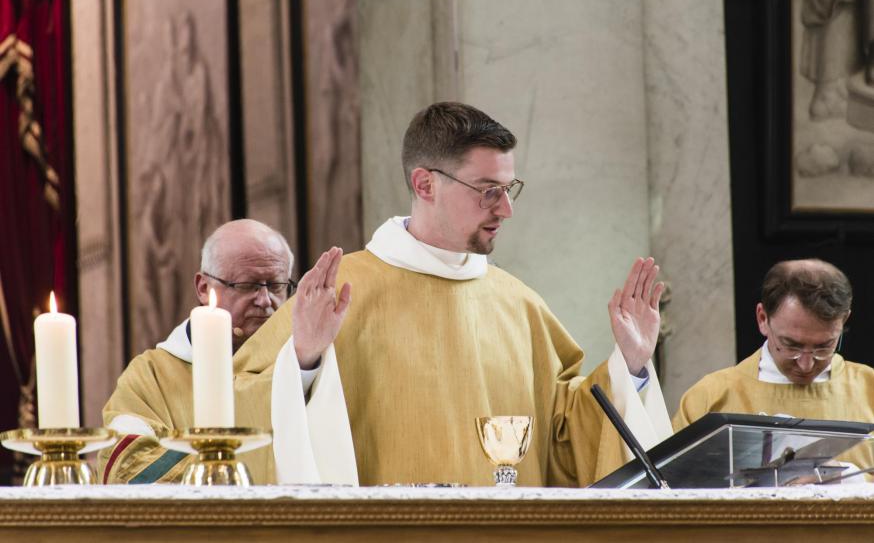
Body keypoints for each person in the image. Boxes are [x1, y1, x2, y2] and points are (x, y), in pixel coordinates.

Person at [245, 102, 673, 487]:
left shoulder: (520, 306)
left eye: (510, 189)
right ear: (426, 184)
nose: (506, 209)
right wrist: (303, 361)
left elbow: (567, 440)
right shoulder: (336, 296)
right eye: (489, 190)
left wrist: (630, 366)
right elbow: (243, 419)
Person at [99, 219, 357, 485]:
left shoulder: (310, 360)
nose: (265, 300)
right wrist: (220, 471)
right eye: (248, 285)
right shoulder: (150, 378)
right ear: (203, 288)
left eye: (276, 285)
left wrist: (303, 364)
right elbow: (127, 468)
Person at [674, 259, 874, 476]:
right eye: (791, 345)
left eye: (823, 347)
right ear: (762, 319)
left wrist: (849, 479)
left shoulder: (869, 389)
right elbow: (668, 487)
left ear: (843, 321)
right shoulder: (710, 397)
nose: (806, 364)